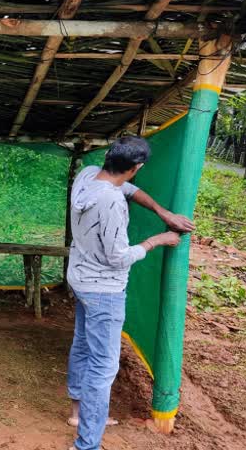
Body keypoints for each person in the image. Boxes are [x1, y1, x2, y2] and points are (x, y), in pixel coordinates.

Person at [66, 136, 194, 450]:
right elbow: (118, 257)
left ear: (109, 157)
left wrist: (161, 211)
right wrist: (158, 240)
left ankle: (78, 414)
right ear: (136, 168)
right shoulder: (110, 202)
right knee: (103, 366)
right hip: (104, 290)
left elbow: (129, 189)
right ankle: (87, 444)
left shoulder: (88, 175)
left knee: (83, 346)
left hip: (80, 279)